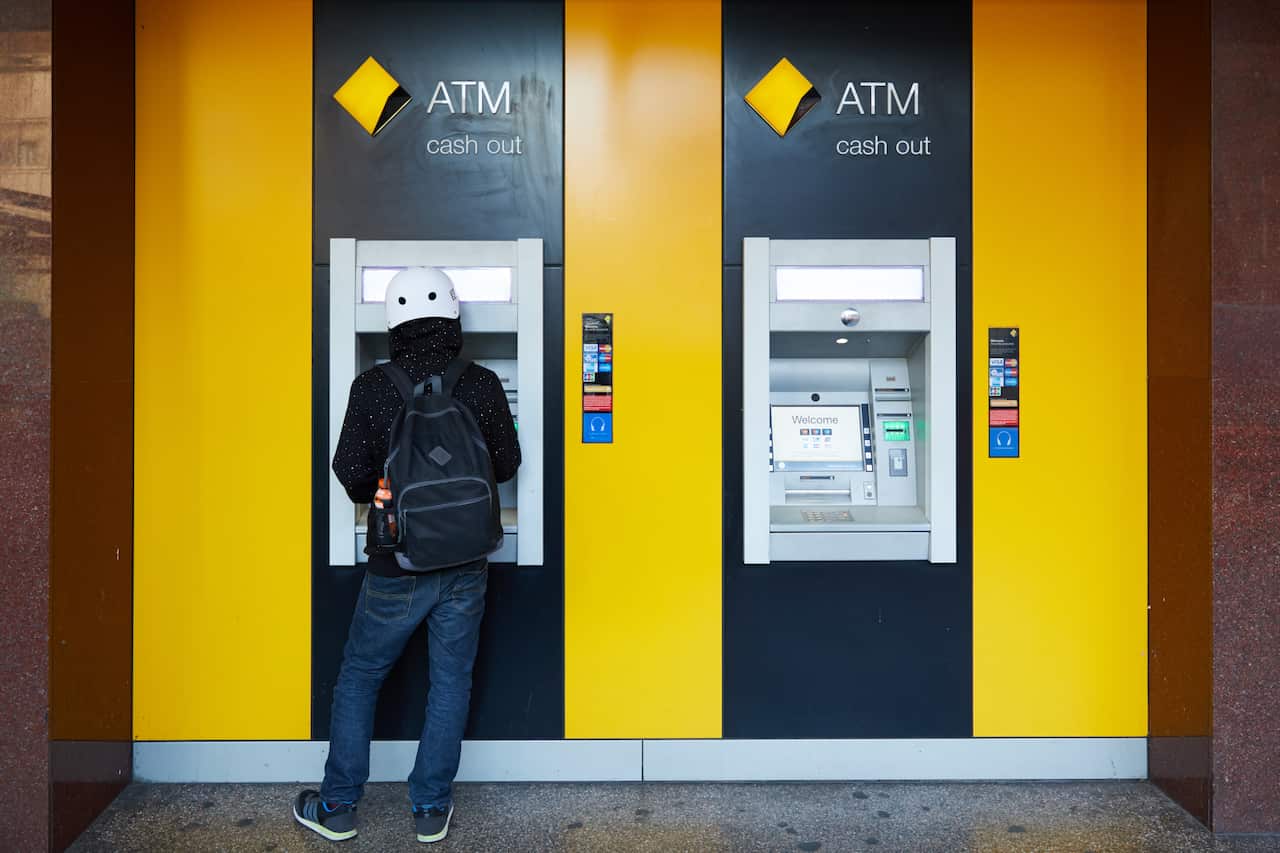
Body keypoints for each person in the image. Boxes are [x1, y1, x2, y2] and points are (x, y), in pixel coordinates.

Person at [294, 266, 521, 844]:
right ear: (453, 318)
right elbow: (506, 464)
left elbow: (349, 473)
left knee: (361, 676)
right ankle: (429, 809)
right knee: (450, 682)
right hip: (467, 562)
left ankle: (339, 806)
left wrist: (385, 488)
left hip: (395, 562)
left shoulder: (373, 387)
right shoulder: (483, 383)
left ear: (392, 324)